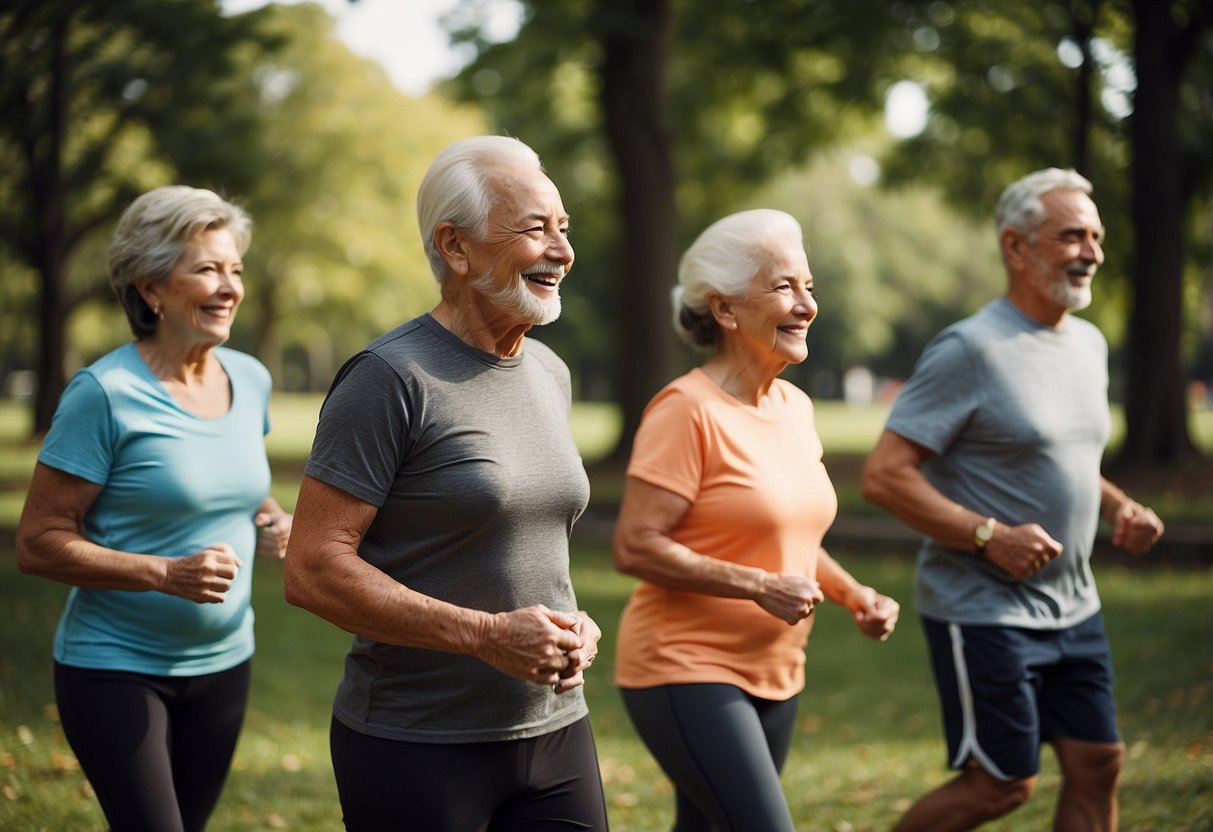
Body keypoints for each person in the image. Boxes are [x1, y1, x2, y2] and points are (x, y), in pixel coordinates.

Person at [282, 135, 609, 831]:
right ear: (455, 248)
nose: (560, 249)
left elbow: (526, 538)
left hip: (554, 730)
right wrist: (484, 634)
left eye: (563, 228)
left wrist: (573, 625)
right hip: (414, 742)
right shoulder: (388, 377)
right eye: (534, 229)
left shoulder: (550, 373)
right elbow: (311, 569)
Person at [861, 168, 1166, 831]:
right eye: (1070, 236)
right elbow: (884, 475)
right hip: (983, 611)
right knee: (1000, 785)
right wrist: (986, 536)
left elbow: (1062, 456)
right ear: (1015, 247)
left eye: (1096, 236)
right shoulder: (969, 349)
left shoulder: (1088, 344)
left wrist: (1118, 508)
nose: (1090, 252)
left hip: (1074, 606)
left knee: (1098, 762)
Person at [612, 208, 901, 832]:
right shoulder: (685, 410)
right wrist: (758, 585)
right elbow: (635, 547)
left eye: (809, 287)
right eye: (783, 287)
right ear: (724, 310)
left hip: (777, 674)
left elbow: (788, 539)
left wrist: (855, 596)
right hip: (684, 668)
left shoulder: (795, 407)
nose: (807, 306)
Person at [15, 185, 293, 832]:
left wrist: (271, 517)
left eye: (235, 270)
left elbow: (231, 482)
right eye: (206, 269)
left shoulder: (249, 379)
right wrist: (167, 574)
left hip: (227, 662)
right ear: (150, 289)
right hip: (116, 669)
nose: (229, 287)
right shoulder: (103, 394)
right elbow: (37, 542)